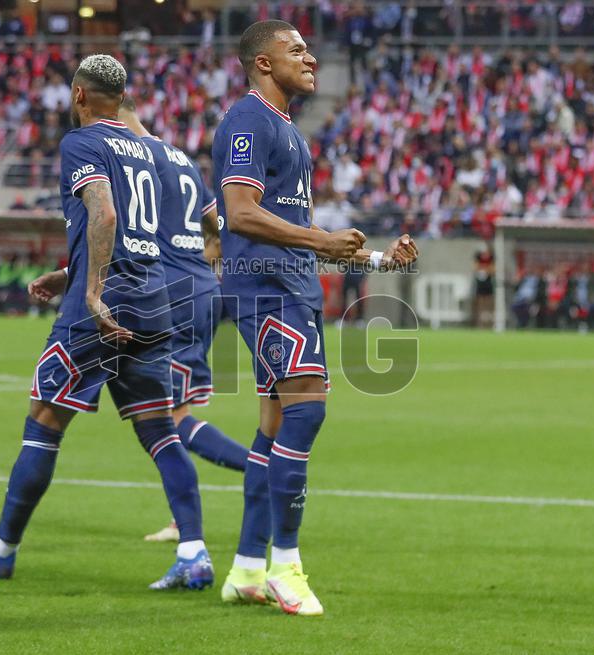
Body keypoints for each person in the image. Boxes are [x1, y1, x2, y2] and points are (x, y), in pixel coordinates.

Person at [0, 54, 213, 591]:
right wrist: (70, 273)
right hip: (154, 299)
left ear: (80, 95)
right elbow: (141, 236)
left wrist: (89, 291)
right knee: (159, 428)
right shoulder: (153, 152)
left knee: (44, 418)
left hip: (104, 306)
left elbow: (105, 214)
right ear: (123, 96)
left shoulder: (82, 143)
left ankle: (0, 550)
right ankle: (193, 552)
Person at [213, 20, 418, 616]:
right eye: (296, 50)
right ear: (262, 62)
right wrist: (320, 239)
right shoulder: (248, 120)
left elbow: (300, 231)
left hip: (289, 284)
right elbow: (240, 213)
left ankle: (247, 568)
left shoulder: (286, 130)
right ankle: (286, 565)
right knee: (308, 411)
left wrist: (376, 259)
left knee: (274, 424)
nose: (309, 59)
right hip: (267, 289)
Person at [28, 98, 251, 544]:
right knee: (167, 416)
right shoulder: (181, 158)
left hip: (167, 293)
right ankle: (184, 521)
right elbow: (219, 227)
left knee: (170, 418)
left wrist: (78, 279)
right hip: (200, 290)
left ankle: (264, 466)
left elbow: (130, 238)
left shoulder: (135, 158)